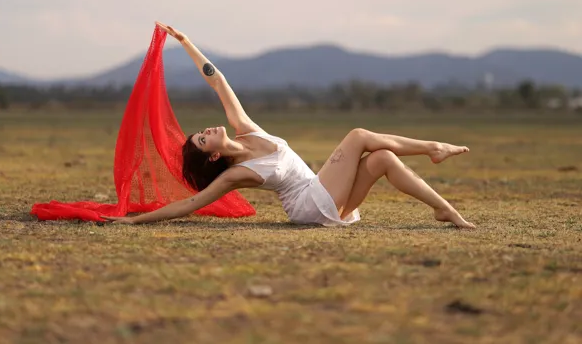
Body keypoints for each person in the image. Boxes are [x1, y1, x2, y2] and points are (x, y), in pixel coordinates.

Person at [103, 22, 475, 229]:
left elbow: (218, 81)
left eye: (202, 131)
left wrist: (186, 43)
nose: (208, 129)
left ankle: (445, 210)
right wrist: (135, 222)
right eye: (203, 138)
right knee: (359, 136)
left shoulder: (244, 127)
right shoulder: (236, 174)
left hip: (323, 196)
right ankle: (432, 148)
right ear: (213, 154)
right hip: (310, 206)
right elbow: (191, 203)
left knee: (382, 160)